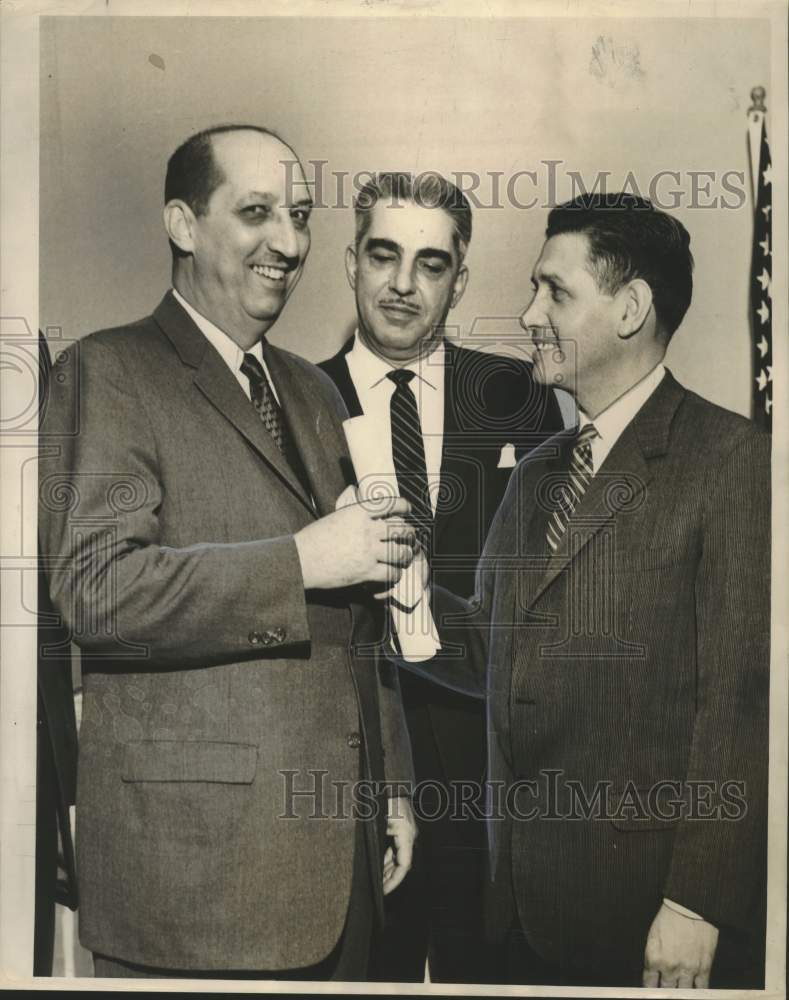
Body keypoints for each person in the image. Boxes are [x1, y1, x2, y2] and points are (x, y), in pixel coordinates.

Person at [38, 124, 418, 981]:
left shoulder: (314, 389)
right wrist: (299, 562)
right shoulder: (110, 372)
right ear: (181, 223)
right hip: (197, 883)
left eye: (299, 215)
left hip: (345, 866)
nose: (288, 243)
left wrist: (391, 782)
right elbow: (97, 593)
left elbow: (362, 612)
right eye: (255, 213)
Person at [397, 193, 769, 988]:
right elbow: (485, 648)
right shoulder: (536, 472)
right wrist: (390, 574)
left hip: (648, 924)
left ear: (630, 308)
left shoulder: (733, 460)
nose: (528, 313)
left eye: (554, 291)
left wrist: (697, 904)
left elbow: (740, 704)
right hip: (516, 919)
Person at [319, 171, 563, 983]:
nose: (401, 284)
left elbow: (545, 594)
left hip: (489, 772)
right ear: (349, 260)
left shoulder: (518, 396)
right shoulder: (290, 398)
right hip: (343, 770)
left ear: (459, 279)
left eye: (430, 264)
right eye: (382, 255)